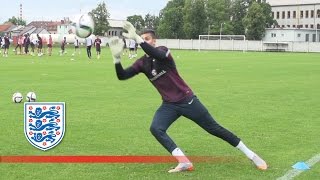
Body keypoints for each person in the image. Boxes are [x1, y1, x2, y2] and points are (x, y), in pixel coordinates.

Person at [108, 21, 268, 173]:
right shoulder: (142, 63)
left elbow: (156, 53)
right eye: (142, 39)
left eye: (147, 39)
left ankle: (251, 155)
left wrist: (136, 37)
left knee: (214, 129)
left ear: (154, 41)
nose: (144, 41)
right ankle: (183, 161)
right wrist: (116, 58)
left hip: (187, 100)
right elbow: (122, 75)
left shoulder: (163, 51)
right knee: (156, 128)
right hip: (169, 104)